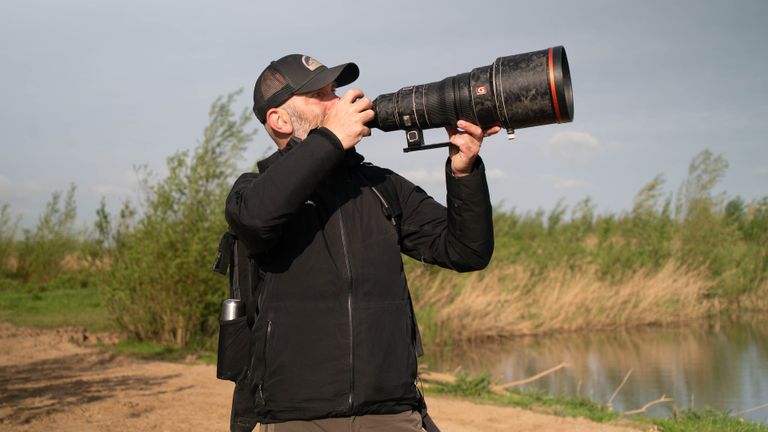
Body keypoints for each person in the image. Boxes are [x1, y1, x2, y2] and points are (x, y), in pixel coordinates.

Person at [224, 54, 500, 432]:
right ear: (280, 120)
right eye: (320, 95)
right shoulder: (252, 192)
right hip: (298, 416)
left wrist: (463, 171)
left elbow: (467, 250)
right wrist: (331, 139)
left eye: (333, 90)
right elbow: (258, 218)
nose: (341, 100)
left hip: (392, 412)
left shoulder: (381, 187)